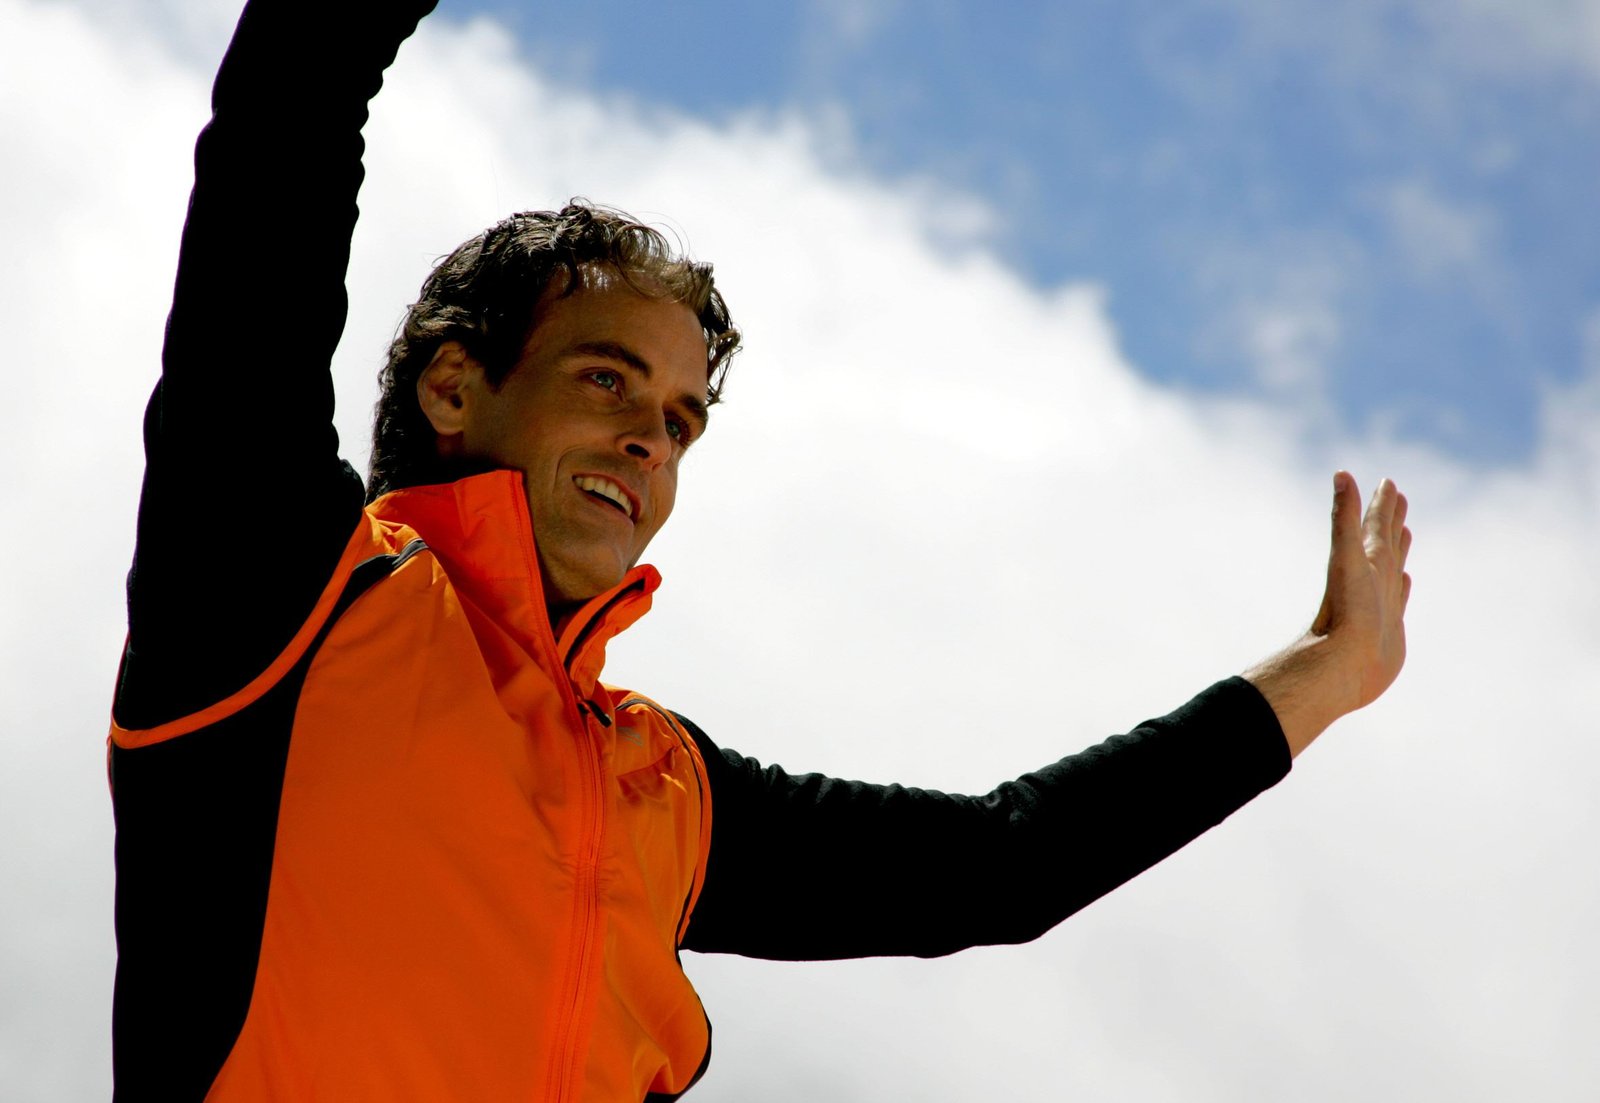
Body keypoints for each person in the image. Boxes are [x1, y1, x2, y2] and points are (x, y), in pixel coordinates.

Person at [107, 2, 1412, 1101]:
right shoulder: (288, 594)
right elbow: (281, 131)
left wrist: (1327, 673)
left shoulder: (663, 787)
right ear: (456, 387)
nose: (648, 441)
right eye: (607, 381)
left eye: (681, 421)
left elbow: (998, 865)